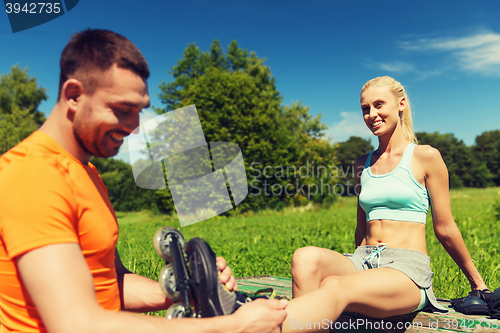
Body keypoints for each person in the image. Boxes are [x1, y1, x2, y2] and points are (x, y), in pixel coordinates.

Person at [0, 29, 286, 333]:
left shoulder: (87, 173)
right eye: (123, 110)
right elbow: (76, 324)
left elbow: (112, 282)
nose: (135, 128)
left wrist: (186, 290)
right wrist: (232, 327)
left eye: (139, 111)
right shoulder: (31, 175)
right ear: (73, 95)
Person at [279, 76, 489, 332]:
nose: (372, 114)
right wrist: (359, 268)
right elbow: (361, 228)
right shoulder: (362, 165)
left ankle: (274, 325)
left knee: (333, 285)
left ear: (401, 104)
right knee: (305, 257)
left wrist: (477, 283)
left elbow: (444, 227)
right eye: (365, 109)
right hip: (362, 260)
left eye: (379, 105)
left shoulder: (426, 157)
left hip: (407, 271)